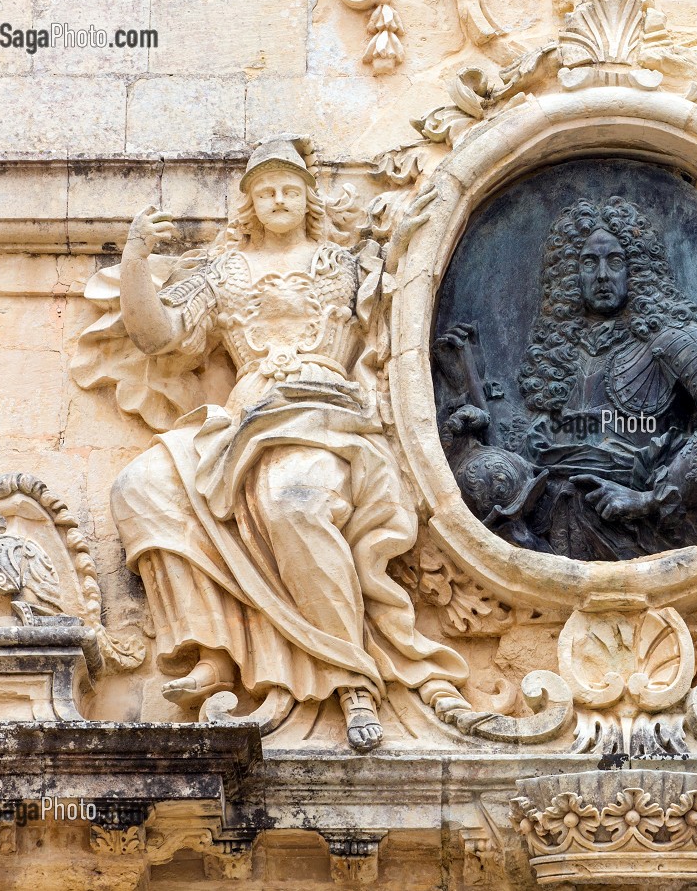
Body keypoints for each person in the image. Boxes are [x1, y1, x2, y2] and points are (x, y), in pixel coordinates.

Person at [102, 136, 468, 750]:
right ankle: (214, 649)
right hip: (244, 419)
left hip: (324, 414)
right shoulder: (222, 273)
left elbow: (408, 321)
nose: (277, 198)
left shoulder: (347, 265)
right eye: (265, 189)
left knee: (294, 500)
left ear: (307, 199)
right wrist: (135, 261)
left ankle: (352, 675)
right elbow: (160, 336)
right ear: (248, 202)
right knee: (140, 487)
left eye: (289, 188)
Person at [436, 196, 697, 560]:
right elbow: (538, 457)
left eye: (615, 261)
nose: (602, 275)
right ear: (569, 274)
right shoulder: (565, 354)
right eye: (589, 262)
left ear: (638, 269)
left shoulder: (674, 336)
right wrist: (471, 385)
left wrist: (651, 498)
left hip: (639, 530)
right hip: (553, 527)